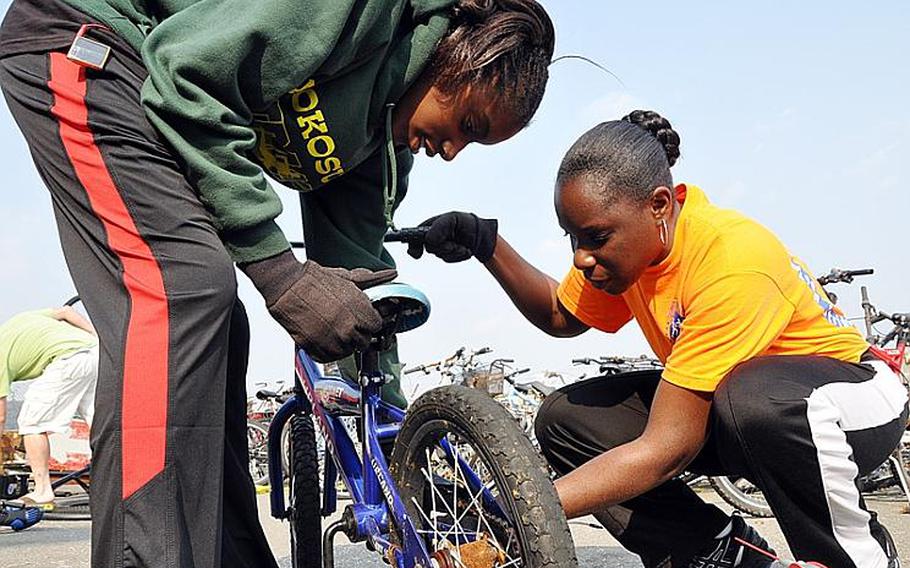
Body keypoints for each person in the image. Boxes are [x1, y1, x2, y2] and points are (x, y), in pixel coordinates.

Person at [0, 0, 555, 566]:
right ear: (452, 61)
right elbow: (186, 73)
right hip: (88, 39)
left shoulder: (373, 144)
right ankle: (143, 556)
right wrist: (279, 275)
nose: (453, 151)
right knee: (181, 291)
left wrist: (397, 442)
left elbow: (359, 290)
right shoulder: (355, 12)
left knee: (214, 326)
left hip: (152, 77)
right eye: (468, 125)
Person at [411, 110, 908, 567]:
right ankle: (720, 554)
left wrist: (516, 512)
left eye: (596, 238)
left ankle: (856, 557)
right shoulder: (633, 257)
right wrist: (486, 242)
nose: (582, 257)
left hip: (851, 398)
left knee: (755, 399)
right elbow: (562, 313)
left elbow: (668, 447)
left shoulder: (731, 259)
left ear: (659, 205)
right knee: (568, 420)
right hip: (740, 415)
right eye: (572, 238)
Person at [0, 307, 98, 509]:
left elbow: (0, 417)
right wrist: (96, 336)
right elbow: (66, 312)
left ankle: (43, 490)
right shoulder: (19, 321)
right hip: (96, 353)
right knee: (100, 423)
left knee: (32, 423)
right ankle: (120, 484)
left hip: (68, 361)